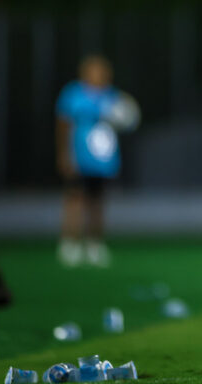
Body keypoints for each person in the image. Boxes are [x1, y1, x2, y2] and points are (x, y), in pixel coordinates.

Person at [55, 54, 139, 267]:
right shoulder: (73, 94)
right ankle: (70, 243)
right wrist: (64, 154)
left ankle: (95, 244)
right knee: (75, 198)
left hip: (101, 159)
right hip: (79, 155)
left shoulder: (112, 96)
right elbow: (63, 125)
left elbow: (127, 118)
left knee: (97, 200)